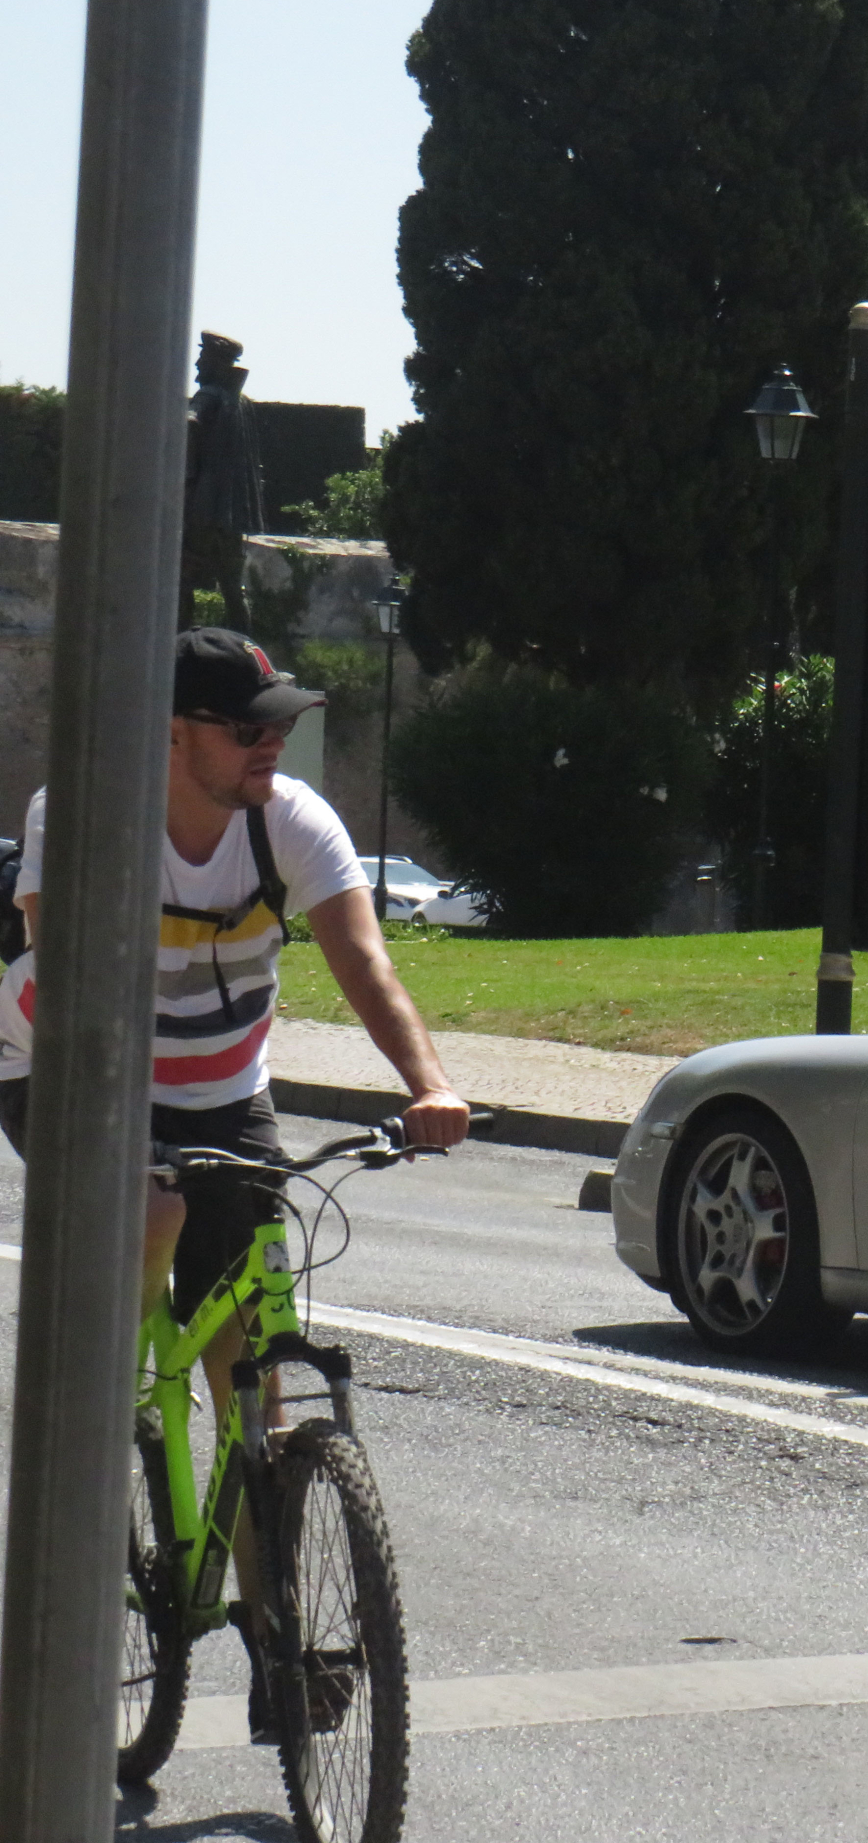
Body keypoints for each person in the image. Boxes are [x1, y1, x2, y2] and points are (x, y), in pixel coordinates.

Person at [0, 627, 470, 1732]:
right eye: (245, 727)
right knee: (152, 1209)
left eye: (282, 724)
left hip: (223, 1093)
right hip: (67, 1065)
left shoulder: (290, 823)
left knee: (250, 1378)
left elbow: (364, 961)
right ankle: (106, 1410)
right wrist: (119, 1143)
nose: (272, 743)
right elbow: (63, 983)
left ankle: (276, 1651)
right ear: (170, 733)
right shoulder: (82, 815)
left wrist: (430, 1083)